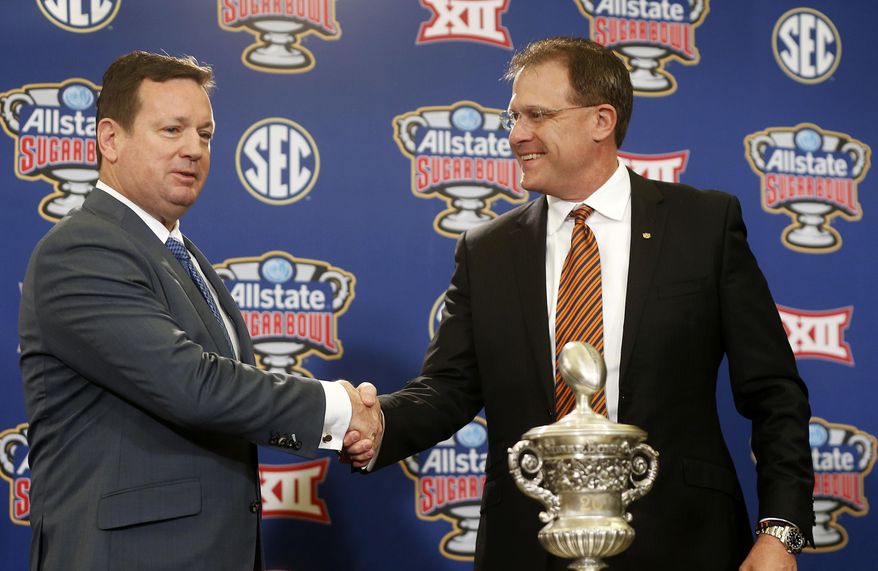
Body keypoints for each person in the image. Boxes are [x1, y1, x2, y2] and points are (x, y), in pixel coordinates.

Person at [344, 37, 814, 571]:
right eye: (513, 117)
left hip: (684, 541)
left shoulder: (703, 226)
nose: (517, 135)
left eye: (537, 115)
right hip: (530, 545)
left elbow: (773, 391)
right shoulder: (488, 250)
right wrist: (381, 422)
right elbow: (449, 388)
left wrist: (782, 530)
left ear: (601, 120)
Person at [18, 51, 380, 571]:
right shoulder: (82, 251)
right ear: (110, 139)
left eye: (205, 135)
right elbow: (192, 385)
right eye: (172, 130)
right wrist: (339, 409)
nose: (194, 149)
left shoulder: (182, 257)